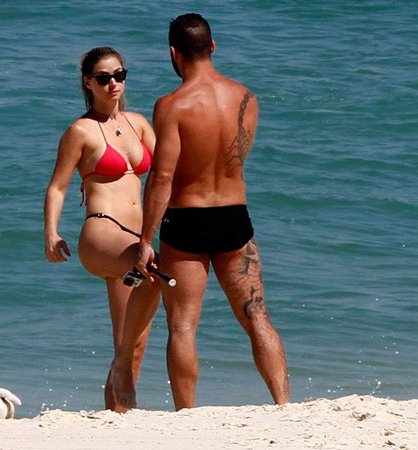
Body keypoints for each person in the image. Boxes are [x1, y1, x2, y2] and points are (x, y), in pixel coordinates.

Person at [109, 14, 291, 412]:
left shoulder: (172, 106)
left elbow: (162, 179)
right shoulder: (246, 98)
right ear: (212, 46)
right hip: (234, 218)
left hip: (187, 222)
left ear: (173, 53)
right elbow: (235, 160)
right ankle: (284, 406)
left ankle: (187, 415)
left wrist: (144, 241)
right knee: (257, 315)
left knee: (183, 325)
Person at [43, 47, 162, 410]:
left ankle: (119, 417)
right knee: (153, 275)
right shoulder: (80, 131)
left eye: (120, 75)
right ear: (88, 83)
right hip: (101, 233)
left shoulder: (138, 123)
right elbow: (58, 186)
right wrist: (51, 232)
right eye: (104, 78)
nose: (114, 84)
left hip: (136, 238)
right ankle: (121, 367)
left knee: (133, 341)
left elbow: (167, 174)